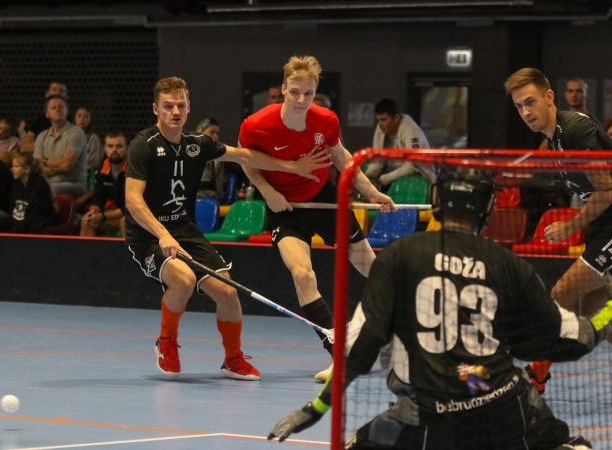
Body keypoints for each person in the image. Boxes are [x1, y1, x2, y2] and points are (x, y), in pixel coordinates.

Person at [268, 169, 612, 450]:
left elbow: (363, 347)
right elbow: (574, 340)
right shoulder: (510, 267)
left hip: (422, 417)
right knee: (560, 442)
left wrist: (314, 409)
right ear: (487, 210)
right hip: (502, 408)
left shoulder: (400, 256)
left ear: (438, 202)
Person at [125, 76, 330, 380]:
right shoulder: (143, 146)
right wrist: (163, 235)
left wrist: (293, 166)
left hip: (185, 231)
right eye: (168, 106)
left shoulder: (198, 144)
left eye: (180, 105)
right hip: (149, 236)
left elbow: (244, 155)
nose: (175, 111)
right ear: (156, 109)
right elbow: (132, 200)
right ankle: (166, 340)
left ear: (189, 107)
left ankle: (232, 359)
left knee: (228, 294)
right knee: (183, 280)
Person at [505, 68, 612, 401]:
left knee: (561, 293)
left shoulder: (575, 129)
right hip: (605, 223)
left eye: (530, 101)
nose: (526, 111)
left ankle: (537, 374)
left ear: (549, 97)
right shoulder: (554, 140)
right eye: (518, 106)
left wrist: (570, 225)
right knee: (592, 308)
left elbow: (606, 192)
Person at [238, 56, 396, 381]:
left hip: (323, 199)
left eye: (308, 93)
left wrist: (371, 192)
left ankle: (408, 330)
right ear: (283, 89)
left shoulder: (325, 120)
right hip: (285, 209)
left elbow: (340, 156)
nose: (301, 100)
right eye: (295, 92)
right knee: (302, 274)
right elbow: (246, 160)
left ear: (315, 93)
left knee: (371, 266)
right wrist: (267, 191)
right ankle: (339, 354)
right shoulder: (256, 125)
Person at [366, 98, 432, 188]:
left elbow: (412, 167)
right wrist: (367, 177)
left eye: (383, 119)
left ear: (396, 118)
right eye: (378, 120)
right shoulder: (380, 128)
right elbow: (378, 162)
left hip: (418, 179)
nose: (380, 124)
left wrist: (383, 179)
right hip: (391, 176)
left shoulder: (411, 130)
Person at [33, 95, 88, 196]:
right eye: (53, 107)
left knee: (46, 189)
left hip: (74, 184)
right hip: (48, 183)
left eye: (61, 107)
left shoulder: (76, 132)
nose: (57, 109)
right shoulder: (41, 136)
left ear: (67, 112)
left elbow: (67, 165)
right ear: (47, 114)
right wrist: (61, 165)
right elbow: (38, 168)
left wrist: (45, 161)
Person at [82, 132, 128, 237]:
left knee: (125, 221)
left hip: (139, 216)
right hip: (116, 214)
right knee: (87, 220)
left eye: (119, 146)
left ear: (126, 148)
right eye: (110, 146)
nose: (114, 150)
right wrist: (93, 212)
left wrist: (103, 216)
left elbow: (131, 208)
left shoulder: (135, 169)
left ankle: (130, 249)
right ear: (105, 148)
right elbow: (98, 199)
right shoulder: (102, 170)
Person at [9, 153, 55, 234]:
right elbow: (12, 203)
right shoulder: (16, 182)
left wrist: (22, 220)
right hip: (22, 215)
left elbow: (40, 209)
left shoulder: (39, 183)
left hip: (40, 217)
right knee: (1, 223)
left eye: (16, 166)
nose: (13, 169)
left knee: (29, 224)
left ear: (27, 169)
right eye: (13, 166)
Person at [20, 81, 68, 153]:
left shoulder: (74, 122)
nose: (57, 93)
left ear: (66, 96)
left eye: (61, 91)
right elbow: (24, 148)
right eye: (54, 90)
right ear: (47, 94)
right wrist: (49, 143)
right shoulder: (38, 122)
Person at [195, 118, 227, 200]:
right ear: (201, 132)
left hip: (213, 196)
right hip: (191, 195)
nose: (215, 136)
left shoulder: (222, 151)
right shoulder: (190, 151)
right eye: (212, 132)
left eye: (217, 133)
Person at [75, 107, 103, 171]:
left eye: (86, 117)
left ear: (90, 120)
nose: (81, 119)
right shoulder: (68, 136)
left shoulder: (93, 138)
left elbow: (93, 163)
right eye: (79, 116)